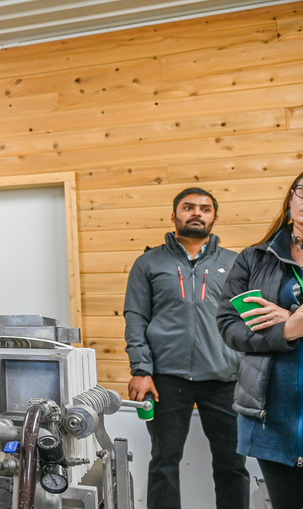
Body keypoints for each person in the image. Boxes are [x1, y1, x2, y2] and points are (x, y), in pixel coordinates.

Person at [124, 187, 249, 509]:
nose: (196, 213)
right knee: (164, 461)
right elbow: (136, 317)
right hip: (166, 379)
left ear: (214, 218)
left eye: (205, 209)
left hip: (225, 379)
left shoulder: (236, 263)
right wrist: (141, 370)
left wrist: (246, 369)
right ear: (174, 215)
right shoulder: (149, 263)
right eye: (188, 207)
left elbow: (248, 321)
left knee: (232, 465)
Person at [217, 172, 303, 509]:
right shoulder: (254, 258)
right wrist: (287, 330)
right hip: (273, 416)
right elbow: (229, 325)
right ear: (290, 199)